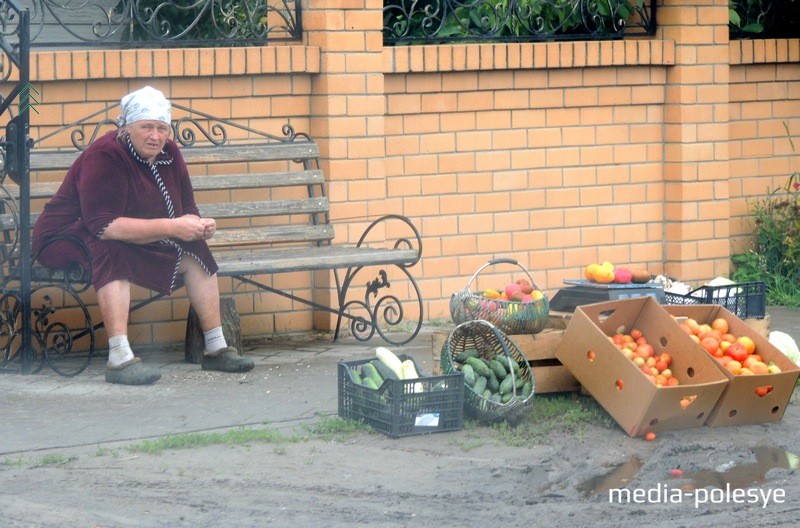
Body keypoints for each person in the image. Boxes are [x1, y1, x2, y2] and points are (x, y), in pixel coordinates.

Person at [32, 86, 254, 385]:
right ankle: (119, 358)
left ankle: (216, 348)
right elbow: (103, 226)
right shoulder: (106, 154)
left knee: (195, 248)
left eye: (162, 128)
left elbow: (186, 207)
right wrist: (172, 227)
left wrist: (200, 225)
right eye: (146, 127)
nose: (155, 136)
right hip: (63, 237)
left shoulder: (169, 153)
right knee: (111, 249)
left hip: (118, 232)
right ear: (127, 127)